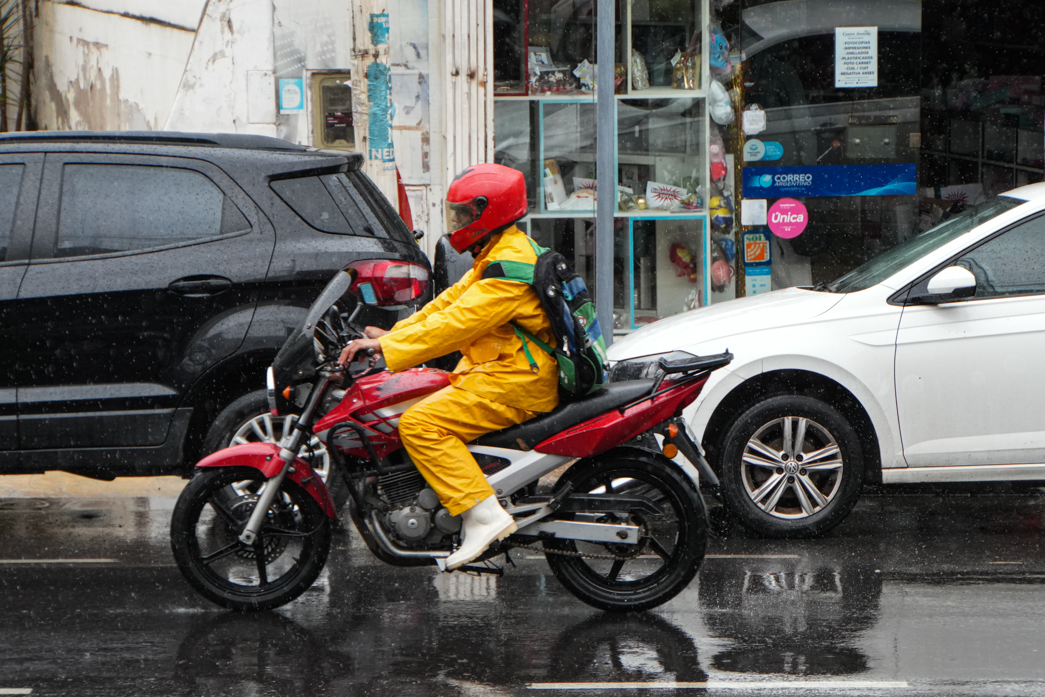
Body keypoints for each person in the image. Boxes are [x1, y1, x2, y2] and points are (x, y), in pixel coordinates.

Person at [339, 163, 558, 570]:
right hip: (502, 372)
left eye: (462, 214)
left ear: (486, 213)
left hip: (518, 381)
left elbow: (456, 327)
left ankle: (484, 515)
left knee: (420, 425)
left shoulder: (507, 270)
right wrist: (391, 335)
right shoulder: (499, 252)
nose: (455, 222)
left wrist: (388, 352)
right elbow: (446, 306)